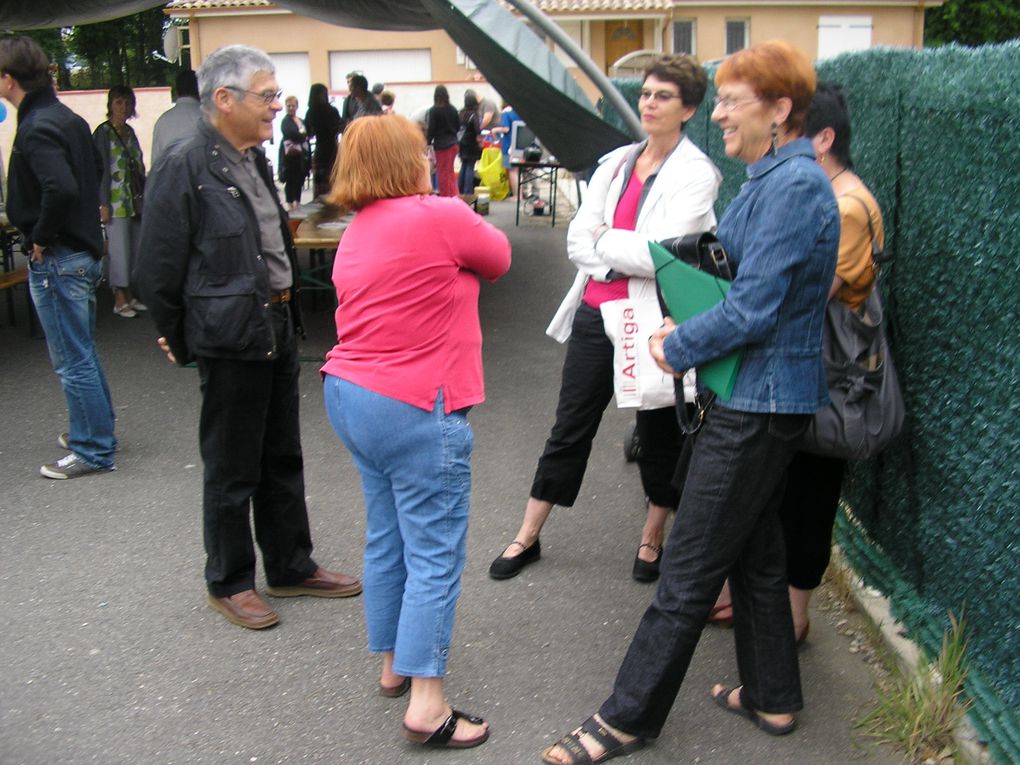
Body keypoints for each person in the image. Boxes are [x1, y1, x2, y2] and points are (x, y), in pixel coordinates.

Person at [541, 40, 839, 764]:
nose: (723, 114)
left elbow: (755, 307)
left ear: (781, 110)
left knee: (688, 566)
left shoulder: (794, 188)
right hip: (753, 395)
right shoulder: (772, 178)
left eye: (734, 101)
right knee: (758, 549)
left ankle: (628, 716)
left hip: (757, 400)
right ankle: (772, 696)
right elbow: (726, 270)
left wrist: (677, 344)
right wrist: (683, 290)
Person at [133, 45, 362, 631]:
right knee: (232, 464)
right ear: (224, 99)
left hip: (274, 326)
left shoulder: (252, 158)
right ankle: (230, 581)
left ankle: (289, 565)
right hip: (229, 335)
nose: (276, 105)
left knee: (281, 455)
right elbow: (156, 271)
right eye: (266, 95)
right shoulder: (185, 165)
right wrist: (183, 339)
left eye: (276, 93)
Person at [488, 55, 720, 583]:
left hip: (655, 318)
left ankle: (651, 537)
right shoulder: (616, 162)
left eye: (663, 96)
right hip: (597, 311)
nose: (649, 103)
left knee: (658, 428)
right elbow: (577, 239)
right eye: (645, 94)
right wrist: (616, 247)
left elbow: (661, 256)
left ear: (688, 109)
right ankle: (528, 534)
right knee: (571, 424)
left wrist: (606, 243)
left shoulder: (697, 174)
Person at [321, 114, 510, 748]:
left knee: (387, 536)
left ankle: (394, 665)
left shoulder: (357, 229)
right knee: (435, 551)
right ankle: (428, 704)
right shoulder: (438, 215)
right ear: (412, 159)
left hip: (351, 396)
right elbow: (499, 257)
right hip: (415, 404)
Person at [779, 81, 885, 643]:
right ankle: (786, 610)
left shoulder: (844, 206)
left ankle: (794, 616)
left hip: (825, 372)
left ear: (822, 139)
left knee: (808, 493)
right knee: (802, 490)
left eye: (790, 133)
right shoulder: (838, 194)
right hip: (820, 369)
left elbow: (811, 297)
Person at [0, 35, 116, 480]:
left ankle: (93, 447)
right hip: (80, 251)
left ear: (9, 79)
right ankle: (97, 430)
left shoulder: (37, 126)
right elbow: (92, 171)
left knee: (72, 358)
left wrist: (41, 237)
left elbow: (62, 187)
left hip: (60, 257)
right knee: (82, 351)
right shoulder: (65, 118)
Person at [93, 85, 146, 318]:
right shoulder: (103, 133)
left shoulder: (130, 132)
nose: (123, 107)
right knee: (118, 251)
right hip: (114, 203)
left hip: (134, 201)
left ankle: (130, 294)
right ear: (110, 104)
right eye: (118, 102)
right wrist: (102, 203)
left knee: (134, 249)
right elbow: (99, 171)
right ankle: (118, 297)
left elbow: (139, 165)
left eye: (127, 102)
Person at [151, 69, 201, 166]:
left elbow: (155, 165)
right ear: (199, 89)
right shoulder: (210, 119)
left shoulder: (162, 122)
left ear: (177, 90)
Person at [305, 82, 341, 198]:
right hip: (332, 148)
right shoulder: (332, 110)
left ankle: (319, 204)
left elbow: (308, 133)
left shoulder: (311, 112)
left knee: (320, 182)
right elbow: (340, 127)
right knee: (333, 179)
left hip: (320, 149)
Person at [426, 84, 459, 197]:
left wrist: (428, 142)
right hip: (454, 144)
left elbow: (431, 129)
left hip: (442, 145)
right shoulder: (453, 109)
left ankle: (446, 197)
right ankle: (454, 195)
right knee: (450, 171)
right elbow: (458, 126)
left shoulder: (434, 111)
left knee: (443, 173)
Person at [278, 95, 309, 210]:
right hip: (289, 155)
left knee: (300, 178)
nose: (291, 108)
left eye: (293, 106)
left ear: (297, 106)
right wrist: (301, 136)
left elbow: (307, 133)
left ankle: (297, 201)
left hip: (301, 155)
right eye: (288, 106)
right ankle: (290, 202)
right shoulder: (285, 121)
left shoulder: (301, 120)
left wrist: (302, 136)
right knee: (290, 179)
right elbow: (291, 133)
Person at [457, 91, 483, 195]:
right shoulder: (474, 114)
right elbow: (477, 130)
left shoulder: (461, 113)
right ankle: (468, 191)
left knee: (463, 165)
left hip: (461, 142)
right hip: (471, 143)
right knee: (470, 167)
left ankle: (460, 189)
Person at [495, 101, 520, 196]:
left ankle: (516, 196)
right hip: (519, 145)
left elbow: (506, 129)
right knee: (518, 171)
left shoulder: (506, 113)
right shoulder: (519, 113)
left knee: (512, 171)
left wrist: (494, 130)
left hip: (508, 146)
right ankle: (520, 195)